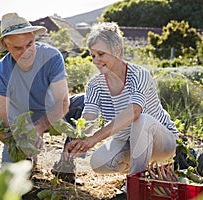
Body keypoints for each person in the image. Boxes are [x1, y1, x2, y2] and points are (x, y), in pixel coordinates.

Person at [66, 22, 180, 180]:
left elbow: (134, 111)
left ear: (117, 50)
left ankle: (135, 182)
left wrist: (94, 139)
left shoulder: (139, 74)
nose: (95, 60)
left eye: (101, 54)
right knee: (99, 162)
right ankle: (141, 167)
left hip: (162, 143)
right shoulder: (95, 84)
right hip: (127, 142)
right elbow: (89, 117)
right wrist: (79, 138)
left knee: (142, 120)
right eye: (93, 55)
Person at [0, 12, 84, 184]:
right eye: (18, 48)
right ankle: (29, 161)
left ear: (34, 37)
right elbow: (0, 124)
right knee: (11, 181)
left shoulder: (52, 57)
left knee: (87, 103)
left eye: (30, 44)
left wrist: (39, 126)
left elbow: (63, 102)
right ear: (6, 46)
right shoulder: (0, 74)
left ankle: (65, 164)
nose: (26, 52)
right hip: (21, 126)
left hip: (54, 114)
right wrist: (18, 145)